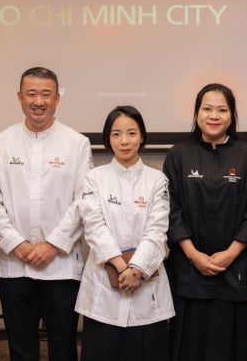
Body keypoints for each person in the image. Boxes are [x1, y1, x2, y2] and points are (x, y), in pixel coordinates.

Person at [0, 66, 93, 361]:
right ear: (19, 97)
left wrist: (52, 244)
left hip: (62, 265)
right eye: (31, 94)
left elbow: (83, 201)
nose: (38, 101)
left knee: (64, 346)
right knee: (21, 347)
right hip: (15, 265)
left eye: (46, 94)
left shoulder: (77, 143)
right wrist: (17, 244)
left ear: (58, 98)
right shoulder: (1, 143)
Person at [162, 83, 247, 361]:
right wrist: (193, 254)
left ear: (232, 115)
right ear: (196, 113)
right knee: (188, 345)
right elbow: (170, 209)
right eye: (207, 108)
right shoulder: (178, 155)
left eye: (222, 109)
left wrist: (231, 253)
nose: (214, 115)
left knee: (233, 345)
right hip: (188, 268)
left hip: (235, 269)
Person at [75, 105, 174, 360]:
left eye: (131, 133)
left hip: (146, 286)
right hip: (104, 288)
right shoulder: (94, 178)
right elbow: (95, 228)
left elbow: (157, 230)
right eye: (116, 134)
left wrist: (137, 270)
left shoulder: (157, 180)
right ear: (108, 138)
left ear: (142, 136)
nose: (124, 141)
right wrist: (122, 268)